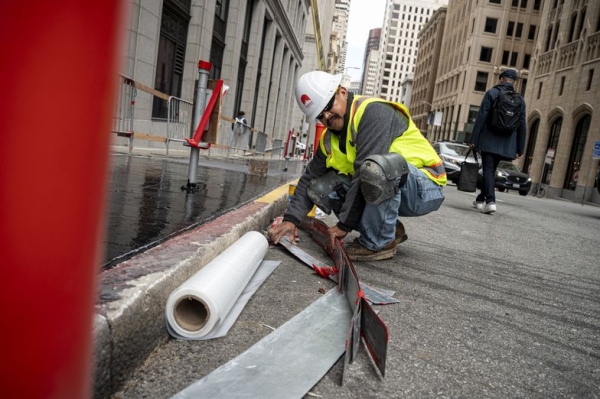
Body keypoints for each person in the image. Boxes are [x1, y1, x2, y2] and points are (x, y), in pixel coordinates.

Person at [268, 71, 446, 261]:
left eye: (329, 105)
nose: (327, 116)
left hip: (424, 186)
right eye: (320, 115)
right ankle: (388, 229)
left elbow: (365, 171)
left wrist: (343, 226)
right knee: (319, 187)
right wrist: (290, 221)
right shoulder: (329, 140)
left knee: (375, 167)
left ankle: (379, 243)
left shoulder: (373, 112)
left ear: (342, 92)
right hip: (391, 182)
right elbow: (308, 179)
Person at [467, 69, 526, 214]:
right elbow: (522, 125)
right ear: (514, 82)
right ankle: (480, 200)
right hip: (507, 143)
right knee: (491, 170)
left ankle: (490, 201)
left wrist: (473, 139)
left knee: (487, 169)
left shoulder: (492, 93)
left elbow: (481, 117)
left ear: (501, 80)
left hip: (489, 139)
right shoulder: (520, 99)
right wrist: (520, 147)